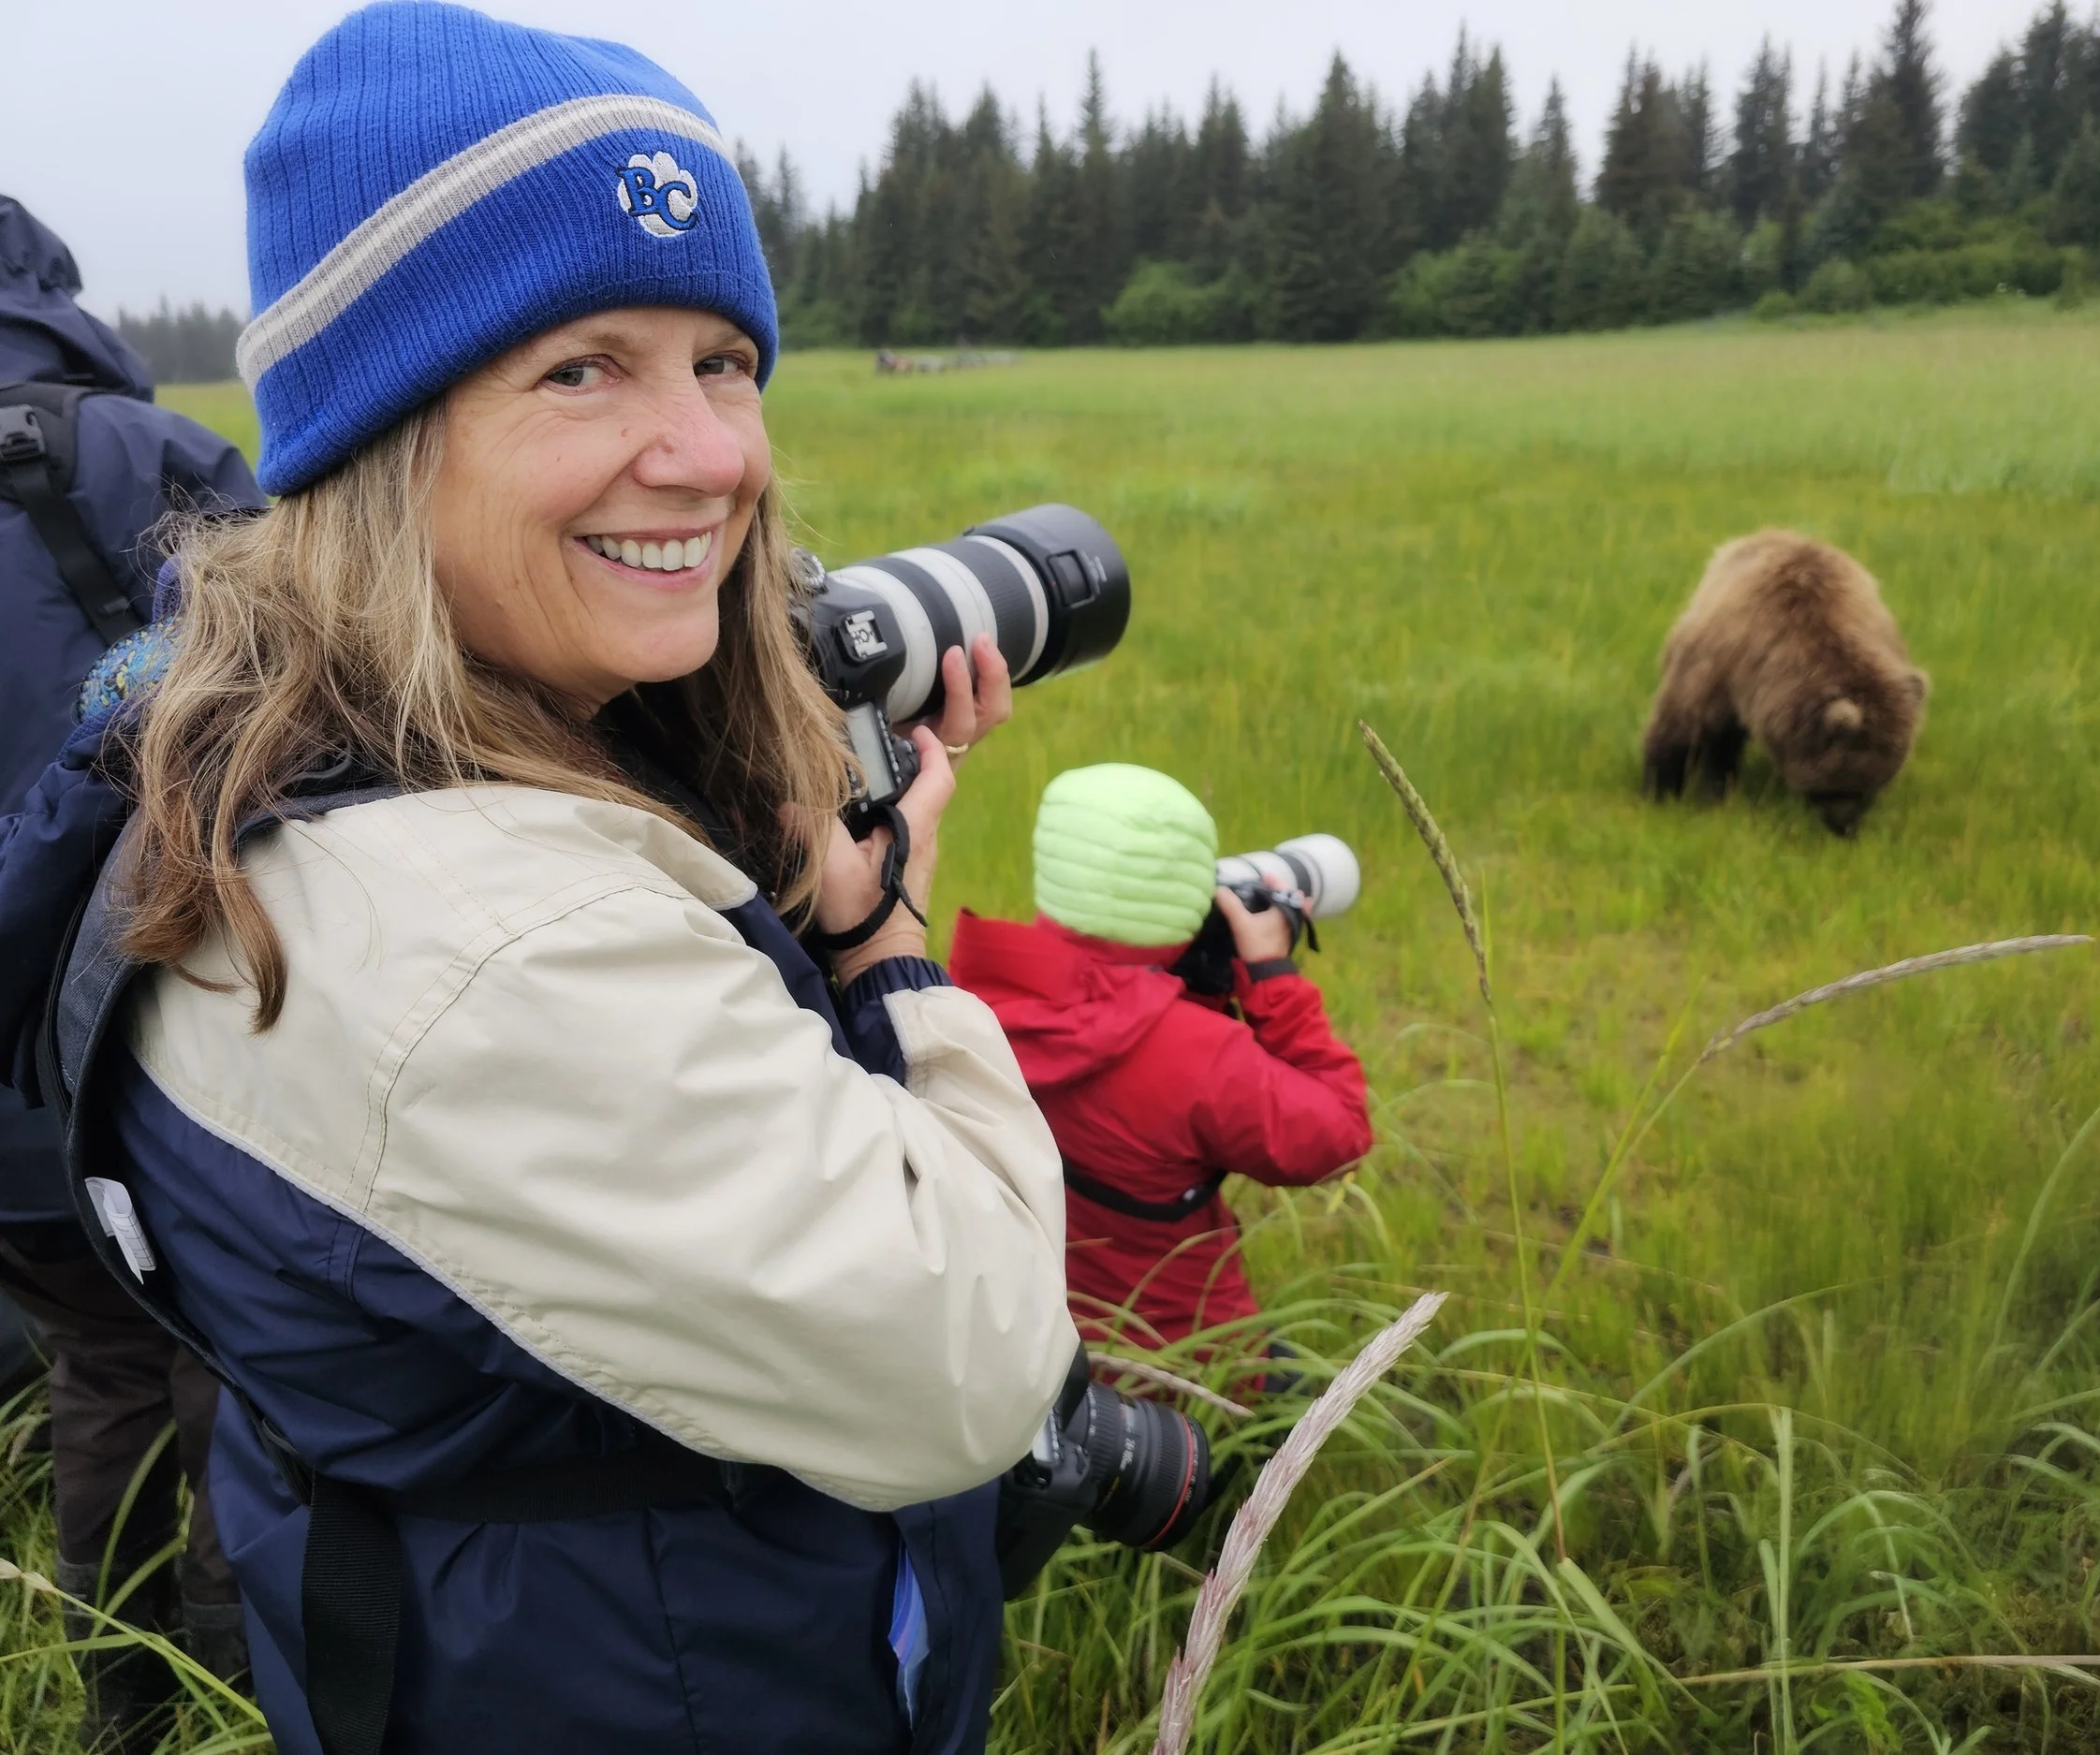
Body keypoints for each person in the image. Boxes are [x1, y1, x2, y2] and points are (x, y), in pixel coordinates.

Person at [0, 7, 1078, 1751]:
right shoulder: (486, 946)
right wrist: (882, 940)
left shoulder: (268, 726)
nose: (715, 453)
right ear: (384, 434)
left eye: (723, 360)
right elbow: (969, 1360)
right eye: (584, 365)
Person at [0, 192, 261, 1745]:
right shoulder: (146, 460)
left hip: (4, 1095)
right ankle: (237, 1689)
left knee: (97, 1373)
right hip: (157, 1022)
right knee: (224, 1351)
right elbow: (313, 660)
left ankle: (119, 1700)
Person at [950, 765, 1373, 1350]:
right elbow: (1341, 1136)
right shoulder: (1201, 1056)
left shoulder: (969, 997)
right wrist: (1273, 978)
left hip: (1023, 1337)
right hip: (1181, 1361)